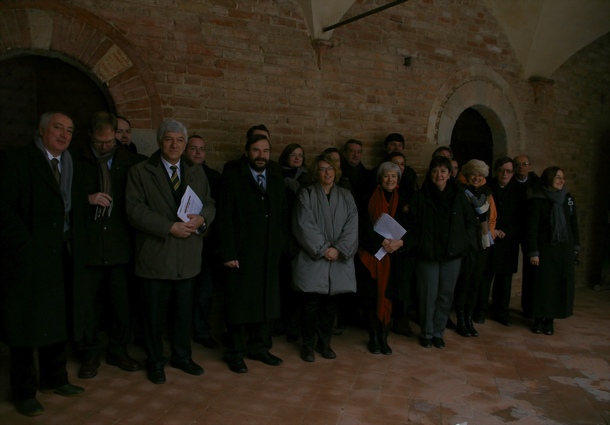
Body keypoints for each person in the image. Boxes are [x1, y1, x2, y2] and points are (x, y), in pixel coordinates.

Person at [0, 111, 85, 416]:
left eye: (69, 131)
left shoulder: (70, 164)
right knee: (25, 324)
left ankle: (55, 379)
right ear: (41, 130)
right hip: (27, 258)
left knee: (56, 319)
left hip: (60, 254)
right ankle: (23, 392)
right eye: (57, 128)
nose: (64, 135)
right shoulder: (17, 160)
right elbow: (3, 209)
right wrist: (24, 244)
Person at [126, 119, 216, 384]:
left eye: (179, 140)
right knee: (153, 315)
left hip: (188, 257)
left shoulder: (196, 172)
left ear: (185, 144)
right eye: (169, 139)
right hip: (156, 255)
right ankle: (155, 361)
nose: (174, 145)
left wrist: (202, 220)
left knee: (183, 313)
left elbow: (209, 203)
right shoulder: (141, 171)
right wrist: (168, 227)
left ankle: (182, 356)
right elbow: (134, 209)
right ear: (159, 142)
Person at [74, 111, 142, 379]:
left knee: (121, 303)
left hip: (119, 246)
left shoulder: (130, 161)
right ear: (91, 136)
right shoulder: (76, 160)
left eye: (109, 141)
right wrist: (86, 198)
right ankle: (89, 354)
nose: (105, 146)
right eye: (100, 142)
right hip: (89, 245)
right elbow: (62, 195)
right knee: (88, 306)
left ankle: (118, 349)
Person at [218, 133, 288, 373]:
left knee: (266, 302)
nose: (261, 155)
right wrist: (228, 252)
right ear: (247, 152)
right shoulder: (232, 178)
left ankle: (260, 347)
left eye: (266, 151)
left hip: (268, 252)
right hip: (241, 252)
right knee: (239, 303)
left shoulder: (277, 179)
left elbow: (283, 216)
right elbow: (224, 218)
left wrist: (280, 245)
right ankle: (236, 352)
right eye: (256, 150)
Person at [291, 153, 358, 362]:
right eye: (322, 169)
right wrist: (323, 249)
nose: (327, 173)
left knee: (330, 306)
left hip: (337, 259)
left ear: (335, 172)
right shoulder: (306, 194)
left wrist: (338, 249)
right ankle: (308, 345)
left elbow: (352, 226)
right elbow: (304, 225)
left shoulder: (346, 196)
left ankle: (325, 343)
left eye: (330, 168)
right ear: (316, 172)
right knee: (310, 305)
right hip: (314, 258)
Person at [411, 156, 477, 349]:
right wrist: (420, 245)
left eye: (442, 171)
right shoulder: (421, 196)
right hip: (428, 255)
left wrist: (462, 243)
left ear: (450, 174)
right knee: (427, 295)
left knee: (445, 295)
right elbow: (412, 225)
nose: (438, 175)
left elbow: (470, 223)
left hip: (452, 255)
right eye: (434, 171)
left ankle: (438, 332)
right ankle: (426, 332)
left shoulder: (459, 196)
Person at [358, 162, 415, 354]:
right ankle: (374, 336)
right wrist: (381, 241)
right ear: (380, 178)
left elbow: (415, 229)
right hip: (374, 256)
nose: (389, 180)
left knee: (389, 296)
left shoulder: (407, 200)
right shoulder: (367, 198)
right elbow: (362, 227)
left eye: (393, 176)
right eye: (386, 176)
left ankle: (384, 336)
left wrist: (400, 243)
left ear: (398, 180)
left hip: (396, 258)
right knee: (372, 298)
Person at [525, 166, 580, 335]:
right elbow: (531, 229)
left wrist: (576, 248)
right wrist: (533, 252)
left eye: (562, 177)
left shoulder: (567, 199)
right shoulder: (537, 200)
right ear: (548, 179)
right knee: (543, 286)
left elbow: (573, 225)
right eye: (557, 177)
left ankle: (550, 321)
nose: (561, 180)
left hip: (563, 250)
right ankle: (539, 319)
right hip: (545, 250)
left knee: (558, 286)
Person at [183, 134, 222, 349]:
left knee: (204, 293)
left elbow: (217, 209)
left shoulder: (214, 177)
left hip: (206, 246)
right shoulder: (177, 174)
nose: (198, 153)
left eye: (202, 149)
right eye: (193, 148)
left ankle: (201, 331)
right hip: (180, 242)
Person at [476, 157, 525, 326]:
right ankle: (481, 310)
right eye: (502, 170)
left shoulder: (520, 191)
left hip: (508, 242)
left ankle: (501, 312)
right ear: (496, 171)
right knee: (485, 278)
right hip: (489, 238)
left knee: (504, 281)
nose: (505, 174)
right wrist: (492, 230)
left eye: (509, 171)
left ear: (513, 173)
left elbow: (523, 217)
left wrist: (507, 231)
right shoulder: (487, 188)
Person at [453, 159, 497, 337]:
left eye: (480, 175)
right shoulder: (460, 193)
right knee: (463, 283)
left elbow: (492, 218)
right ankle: (461, 320)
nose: (477, 178)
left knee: (475, 283)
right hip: (466, 245)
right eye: (473, 175)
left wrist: (490, 235)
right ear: (467, 175)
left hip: (482, 245)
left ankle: (469, 318)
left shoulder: (487, 195)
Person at [342, 139, 374, 210]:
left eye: (359, 152)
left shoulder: (369, 175)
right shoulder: (338, 173)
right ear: (345, 153)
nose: (356, 155)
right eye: (352, 151)